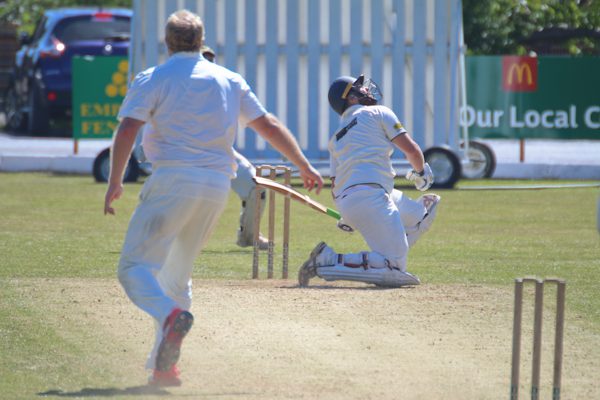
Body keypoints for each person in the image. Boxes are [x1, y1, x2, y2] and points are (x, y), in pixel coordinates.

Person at [104, 10, 323, 387]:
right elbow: (267, 125)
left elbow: (128, 129)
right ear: (201, 39)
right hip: (215, 187)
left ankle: (169, 317)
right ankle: (164, 367)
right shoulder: (229, 79)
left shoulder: (153, 77)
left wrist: (114, 181)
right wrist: (303, 165)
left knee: (132, 267)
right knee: (178, 278)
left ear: (168, 41)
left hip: (172, 179)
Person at [298, 75, 440, 288]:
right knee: (395, 267)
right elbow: (411, 149)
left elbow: (335, 187)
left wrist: (348, 216)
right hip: (371, 197)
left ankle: (387, 255)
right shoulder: (379, 112)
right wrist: (421, 171)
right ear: (351, 98)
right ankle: (327, 260)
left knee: (423, 213)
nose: (366, 91)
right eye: (359, 89)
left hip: (360, 197)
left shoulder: (335, 139)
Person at [201, 45, 269, 250]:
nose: (208, 63)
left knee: (256, 187)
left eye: (210, 59)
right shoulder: (177, 85)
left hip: (220, 152)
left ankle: (249, 235)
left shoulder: (224, 85)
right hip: (186, 155)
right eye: (204, 58)